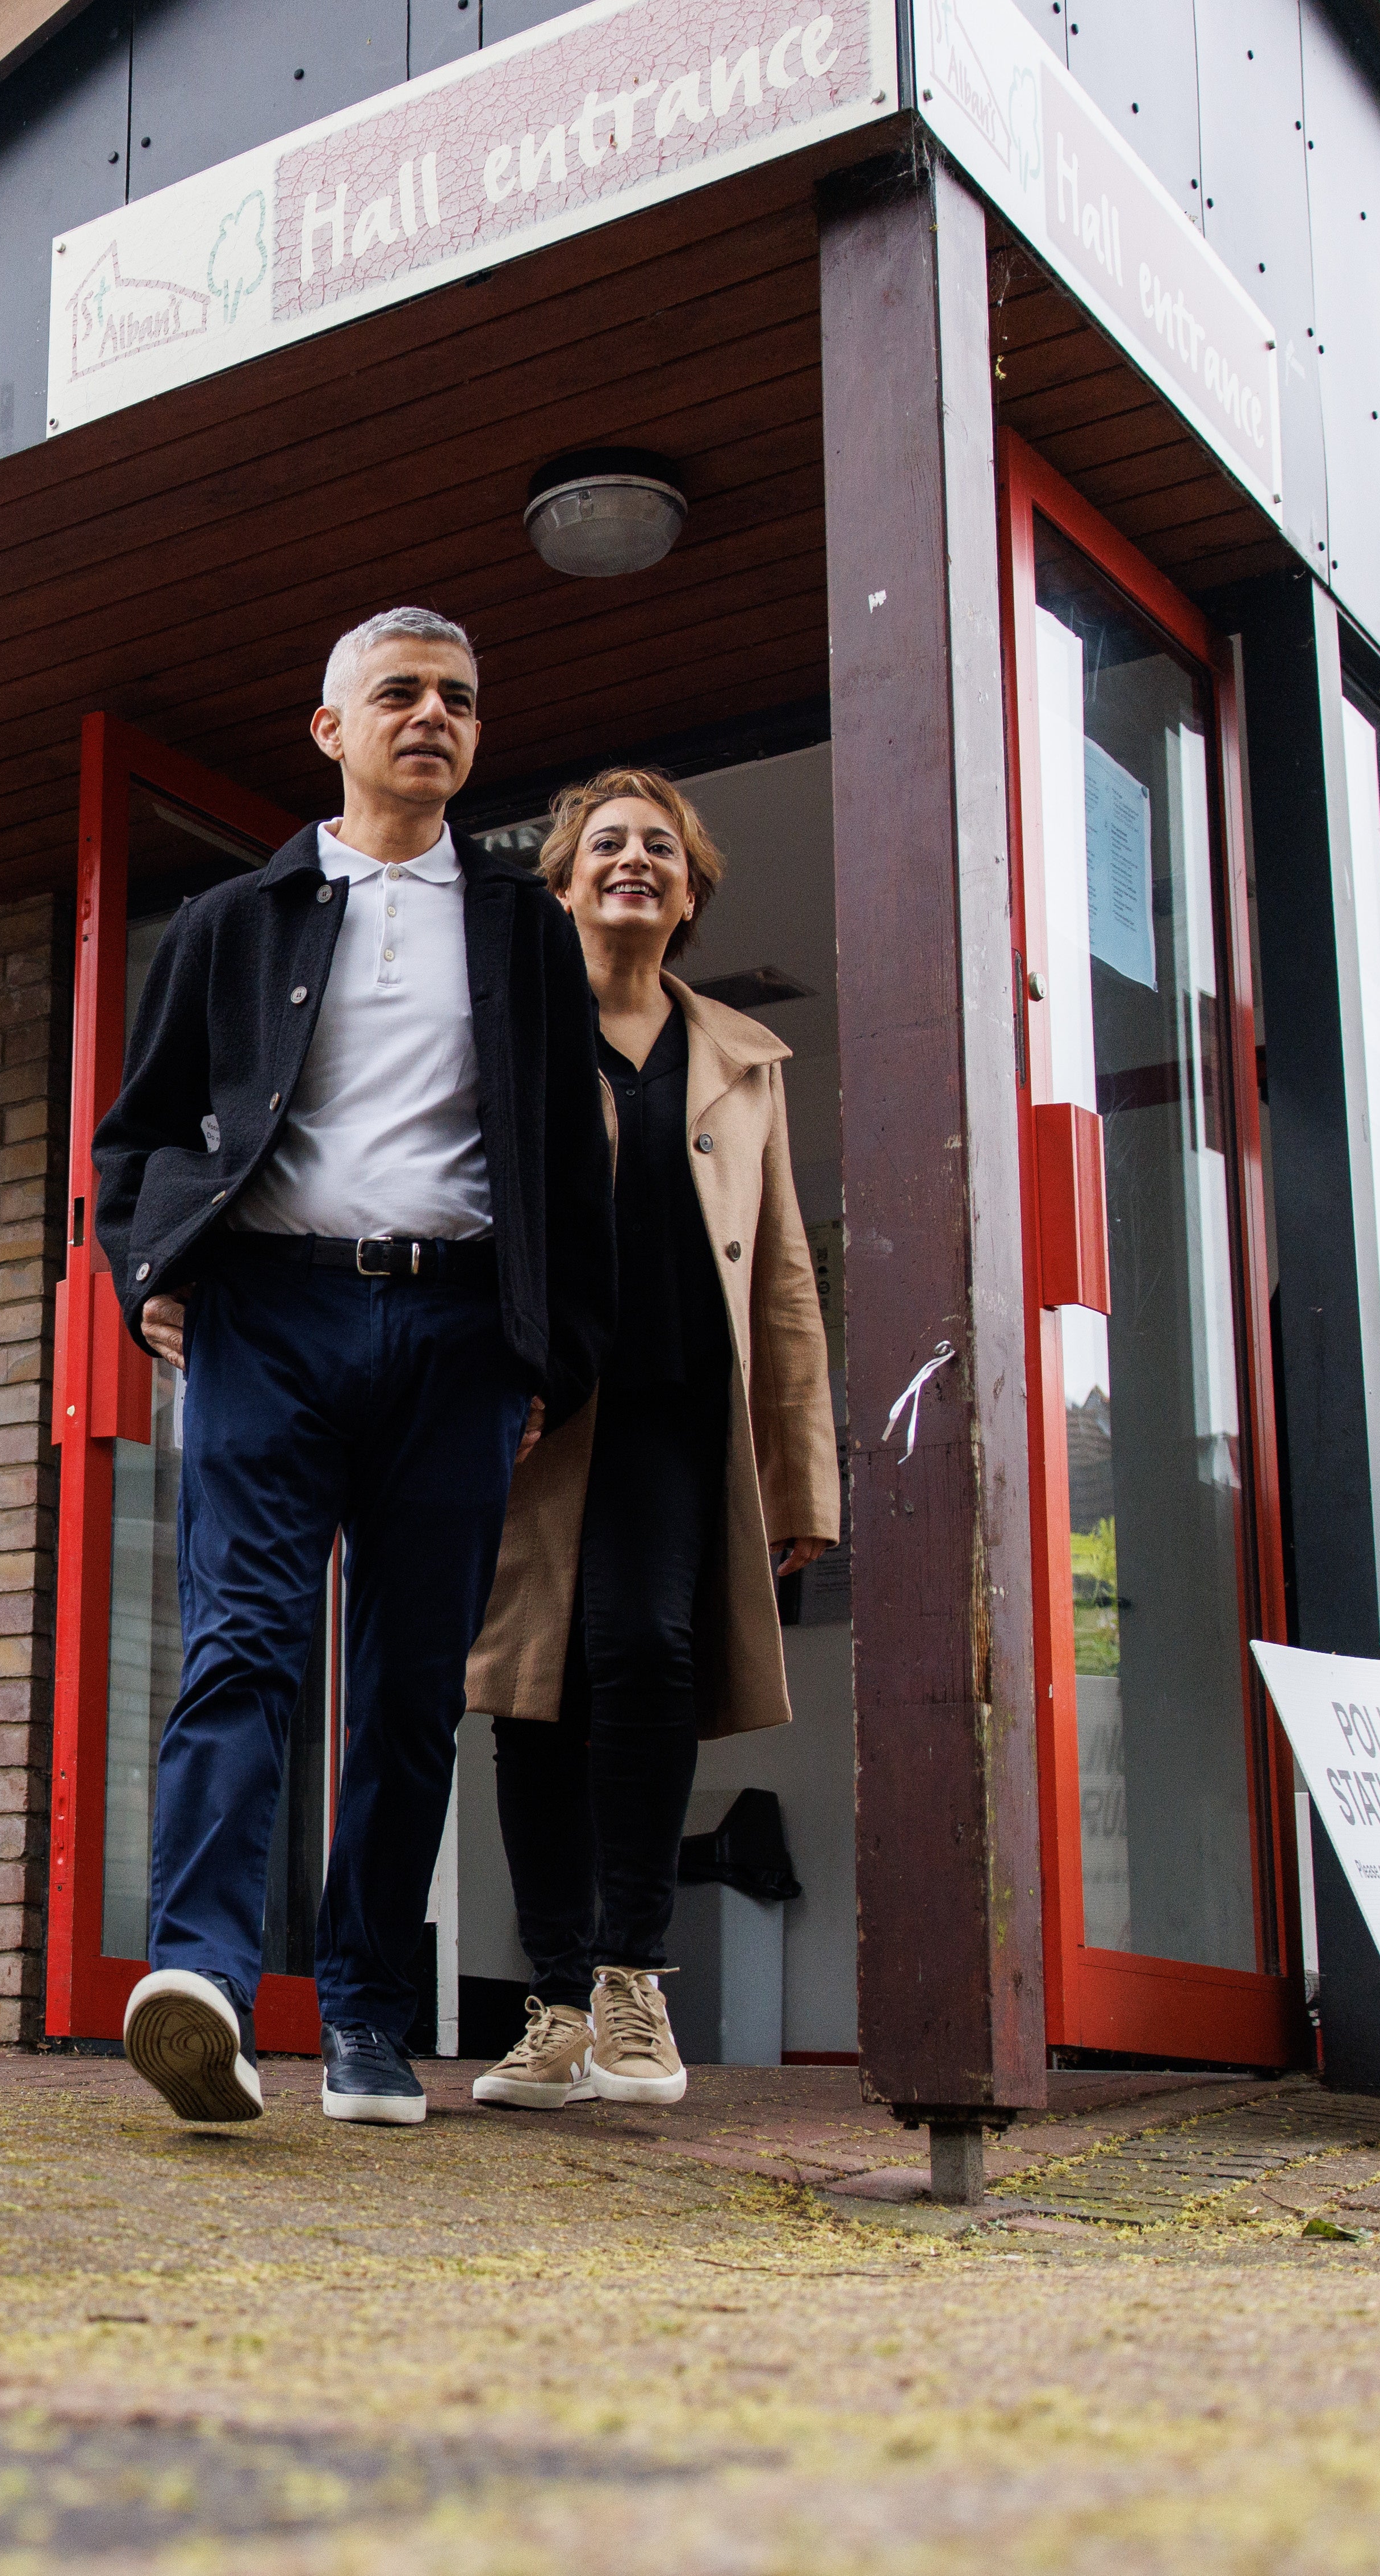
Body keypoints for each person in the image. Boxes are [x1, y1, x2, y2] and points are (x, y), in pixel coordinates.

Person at [91, 608, 617, 2128]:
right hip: (270, 1315)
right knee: (243, 1647)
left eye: (460, 696)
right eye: (399, 694)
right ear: (330, 728)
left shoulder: (523, 932)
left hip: (457, 1337)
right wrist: (150, 1283)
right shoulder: (233, 922)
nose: (433, 716)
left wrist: (542, 1364)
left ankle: (372, 2016)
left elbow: (568, 1188)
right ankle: (198, 1983)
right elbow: (134, 1141)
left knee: (402, 1693)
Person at [462, 767, 838, 2111]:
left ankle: (630, 1985)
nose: (633, 862)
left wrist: (804, 1471)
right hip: (536, 1415)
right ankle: (552, 2004)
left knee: (646, 1652)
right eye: (606, 846)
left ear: (688, 895)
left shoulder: (745, 1058)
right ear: (562, 883)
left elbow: (785, 1274)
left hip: (679, 1405)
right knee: (528, 1693)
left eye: (659, 851)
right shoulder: (503, 1034)